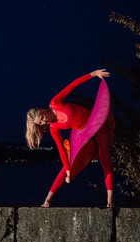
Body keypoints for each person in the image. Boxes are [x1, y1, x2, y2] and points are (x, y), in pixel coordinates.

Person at [26, 69, 115, 208]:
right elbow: (61, 150)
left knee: (105, 157)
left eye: (42, 118)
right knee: (67, 167)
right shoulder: (54, 128)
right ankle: (47, 200)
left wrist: (93, 74)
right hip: (80, 135)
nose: (44, 122)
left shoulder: (55, 102)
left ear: (43, 110)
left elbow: (73, 85)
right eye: (40, 123)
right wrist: (68, 171)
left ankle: (110, 200)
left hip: (94, 122)